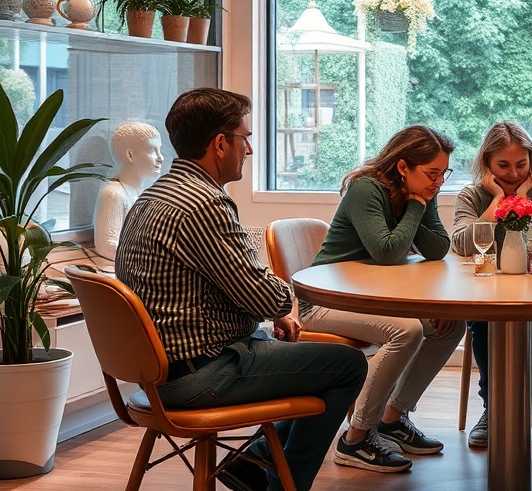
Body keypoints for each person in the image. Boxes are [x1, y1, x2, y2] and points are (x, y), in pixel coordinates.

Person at [115, 88, 367, 491]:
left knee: (295, 349)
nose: (248, 149)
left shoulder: (153, 195)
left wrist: (266, 312)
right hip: (197, 376)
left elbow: (225, 287)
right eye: (244, 137)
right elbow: (268, 296)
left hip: (156, 371)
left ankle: (257, 464)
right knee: (348, 365)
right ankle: (277, 480)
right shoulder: (204, 204)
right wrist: (280, 304)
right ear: (220, 144)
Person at [299, 125, 465, 474]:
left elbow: (437, 248)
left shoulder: (419, 191)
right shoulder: (367, 189)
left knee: (450, 326)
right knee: (407, 331)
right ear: (403, 167)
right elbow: (388, 252)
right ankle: (355, 438)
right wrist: (416, 205)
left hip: (368, 300)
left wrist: (420, 199)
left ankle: (392, 418)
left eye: (443, 173)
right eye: (432, 174)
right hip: (323, 303)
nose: (438, 182)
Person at [452, 121, 532, 449]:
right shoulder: (473, 195)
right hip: (484, 289)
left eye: (522, 164)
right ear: (487, 163)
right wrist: (497, 203)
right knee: (485, 325)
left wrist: (523, 202)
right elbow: (461, 243)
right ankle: (492, 408)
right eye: (503, 165)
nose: (515, 173)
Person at [93, 121, 164, 260]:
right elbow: (107, 246)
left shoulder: (144, 192)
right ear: (131, 155)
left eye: (160, 150)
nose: (160, 157)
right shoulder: (113, 194)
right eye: (152, 151)